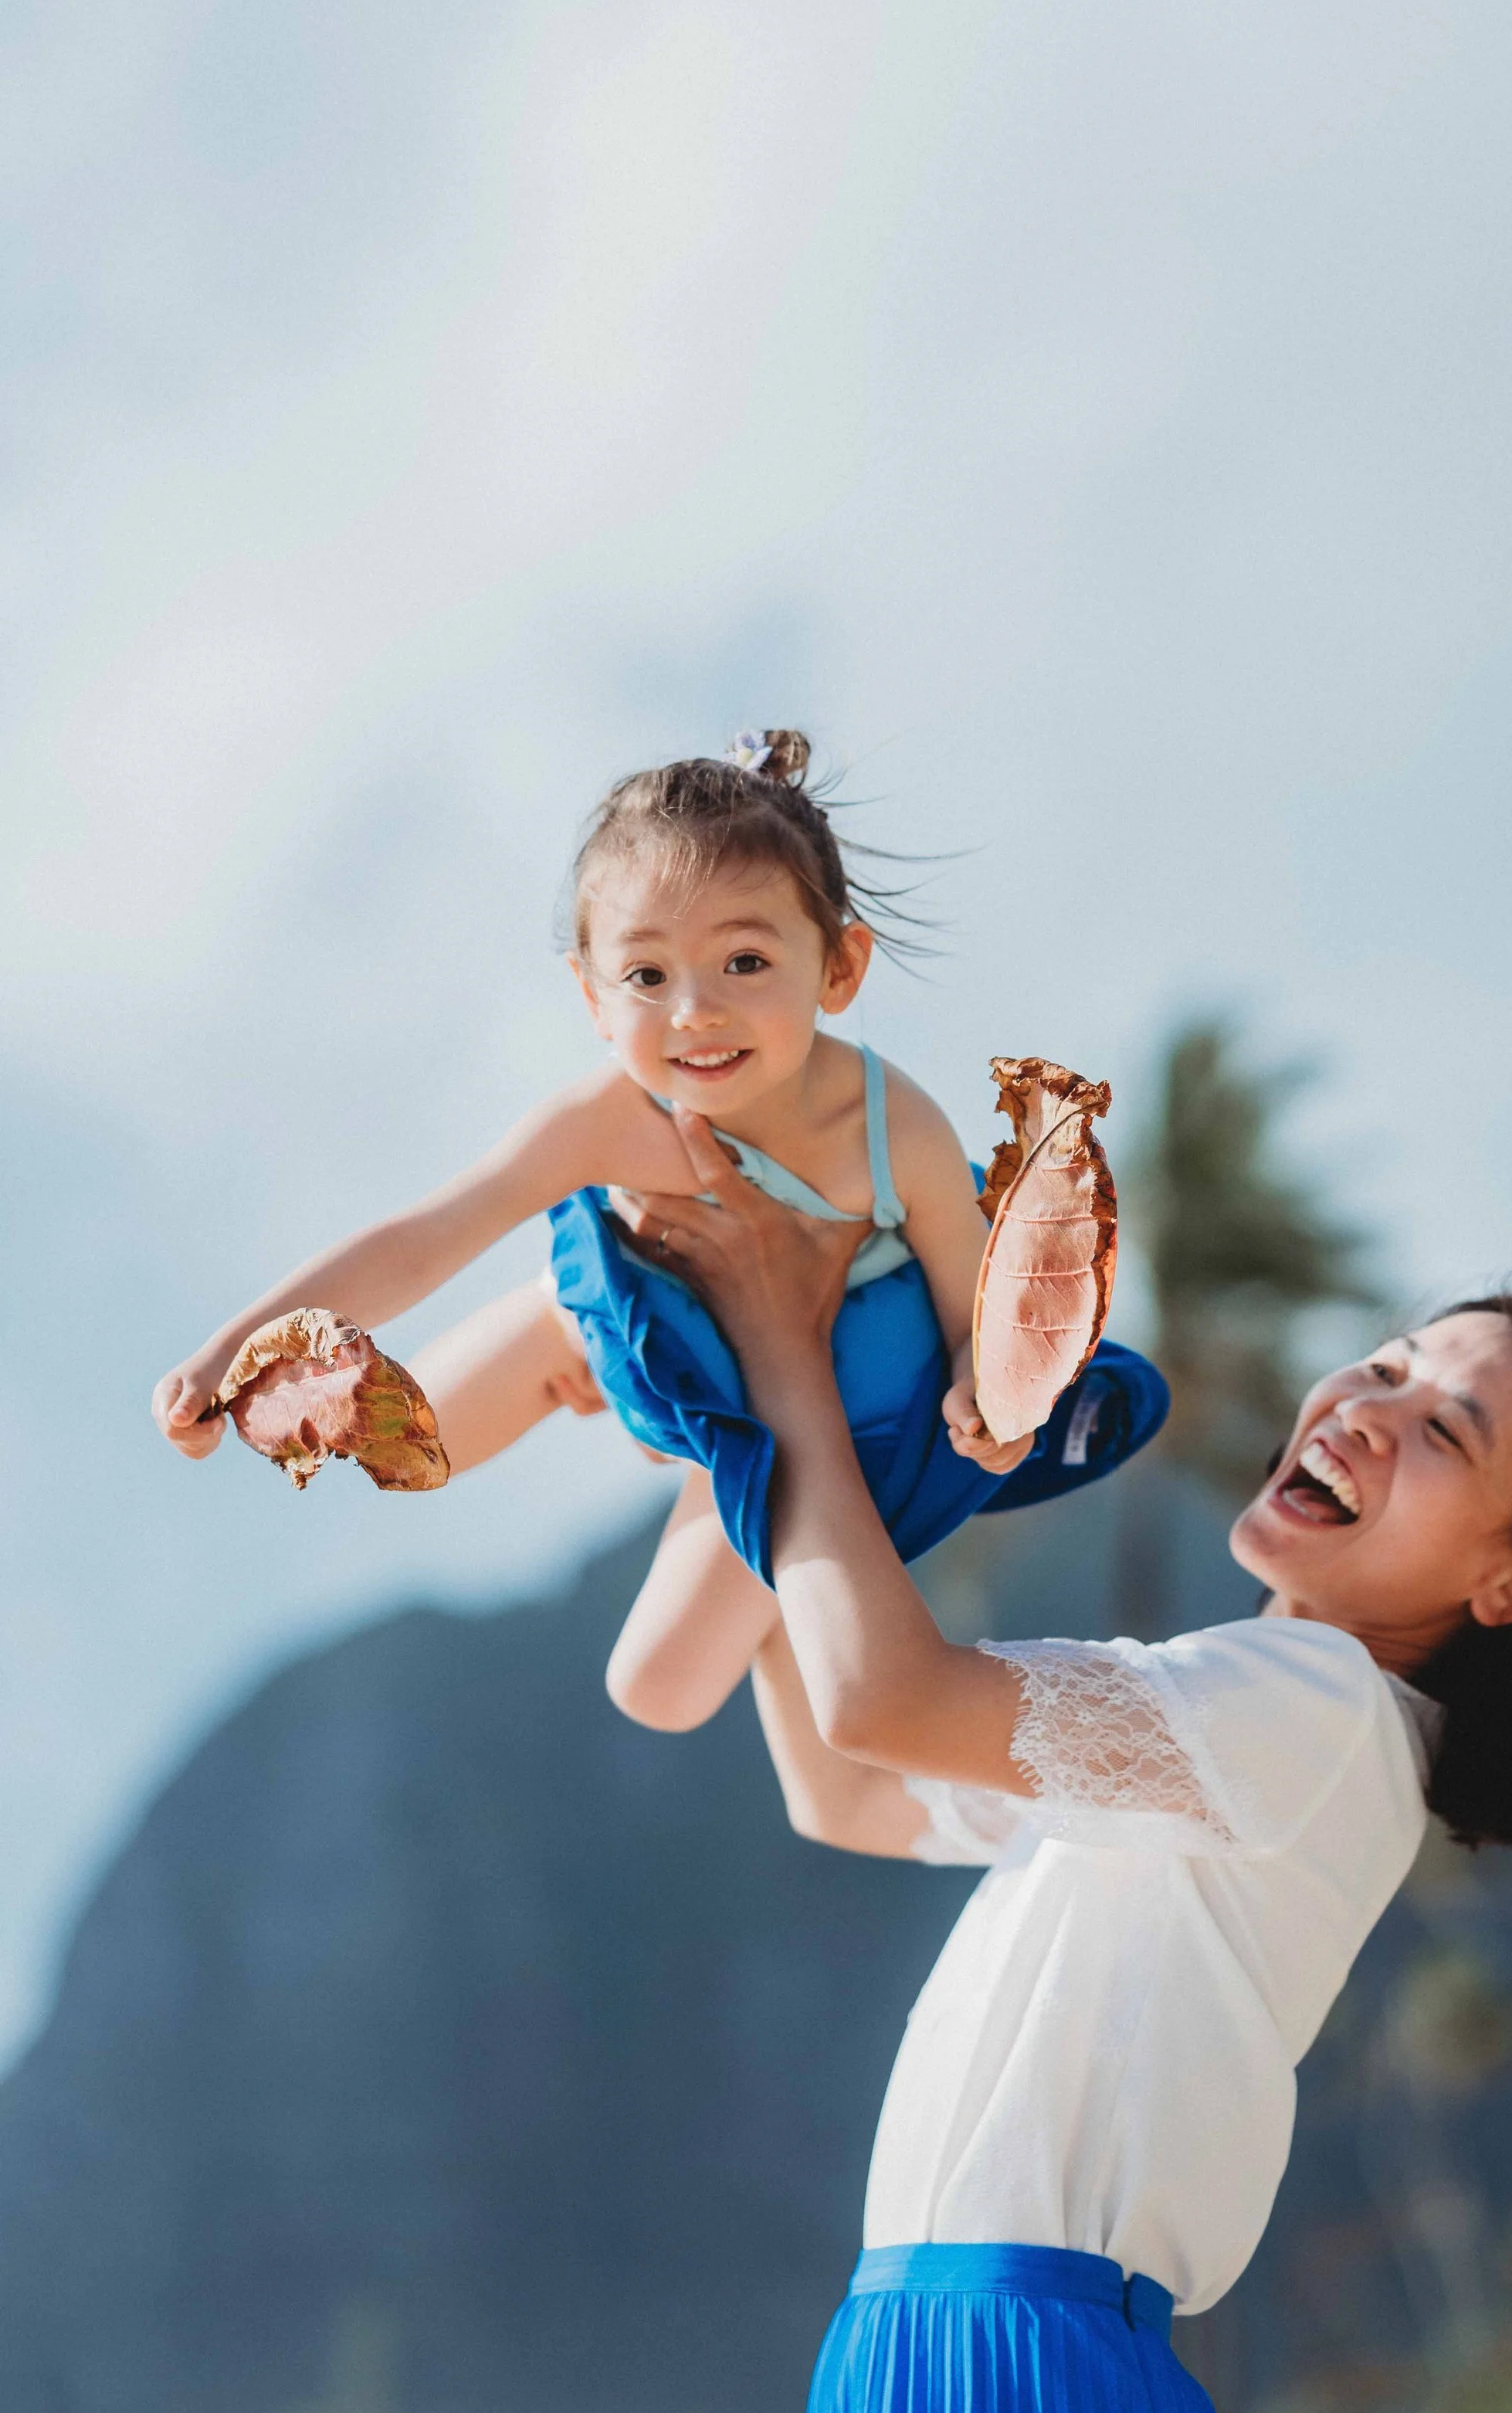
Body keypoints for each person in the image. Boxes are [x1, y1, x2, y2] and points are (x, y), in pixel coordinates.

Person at [617, 1117, 1512, 2413]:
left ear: (1511, 1585)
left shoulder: (1309, 1708)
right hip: (959, 2365)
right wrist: (759, 1430)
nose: (1366, 1409)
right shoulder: (1239, 1726)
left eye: (1444, 1431)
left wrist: (786, 1363)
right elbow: (850, 1788)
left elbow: (882, 1697)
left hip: (1016, 2383)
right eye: (1386, 1364)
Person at [148, 732, 1164, 1731]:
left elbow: (976, 1312)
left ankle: (731, 1501)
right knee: (413, 1442)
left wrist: (988, 1401)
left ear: (840, 967)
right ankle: (597, 1373)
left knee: (657, 1690)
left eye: (745, 960)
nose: (694, 1011)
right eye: (646, 976)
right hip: (632, 1306)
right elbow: (427, 1235)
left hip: (801, 1406)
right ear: (591, 994)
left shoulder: (891, 1129)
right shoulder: (602, 1123)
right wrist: (228, 1353)